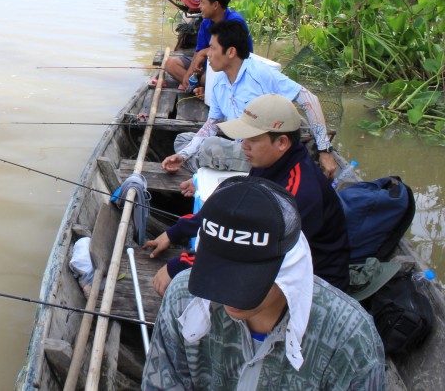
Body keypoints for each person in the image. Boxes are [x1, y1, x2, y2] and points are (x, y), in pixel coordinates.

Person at [142, 176, 385, 391]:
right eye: (219, 271)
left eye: (246, 278)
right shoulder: (182, 298)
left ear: (289, 266)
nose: (227, 294)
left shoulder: (350, 338)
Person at [145, 94, 350, 296]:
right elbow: (233, 206)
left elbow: (254, 251)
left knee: (186, 289)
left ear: (281, 142)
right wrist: (175, 233)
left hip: (314, 282)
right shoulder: (270, 163)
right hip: (273, 258)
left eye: (253, 139)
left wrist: (184, 263)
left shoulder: (299, 192)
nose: (244, 145)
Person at [161, 20, 338, 179]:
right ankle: (237, 173)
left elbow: (309, 99)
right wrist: (184, 155)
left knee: (210, 146)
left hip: (265, 152)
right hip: (243, 148)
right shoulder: (219, 82)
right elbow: (212, 124)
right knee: (182, 140)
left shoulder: (260, 74)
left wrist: (325, 150)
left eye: (213, 49)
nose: (208, 54)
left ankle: (242, 173)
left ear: (230, 52)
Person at [164, 0, 252, 92]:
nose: (199, 6)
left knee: (208, 77)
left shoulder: (234, 23)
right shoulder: (206, 22)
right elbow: (198, 51)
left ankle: (203, 88)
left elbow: (230, 53)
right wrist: (191, 72)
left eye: (202, 2)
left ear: (215, 5)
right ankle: (198, 87)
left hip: (226, 67)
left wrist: (203, 53)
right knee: (170, 64)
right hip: (210, 64)